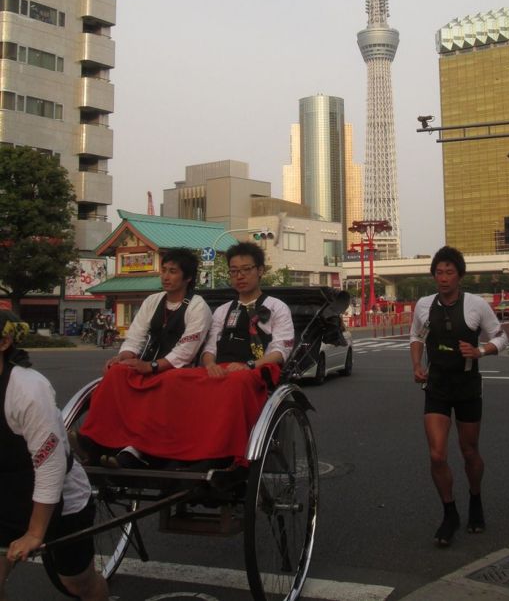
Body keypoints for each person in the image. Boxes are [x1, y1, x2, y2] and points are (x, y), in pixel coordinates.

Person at [0, 311, 109, 601]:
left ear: (4, 342)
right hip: (6, 494)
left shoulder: (26, 389)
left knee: (77, 584)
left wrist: (35, 533)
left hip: (60, 500)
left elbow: (51, 465)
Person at [73, 248, 212, 467]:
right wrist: (124, 357)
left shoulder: (197, 306)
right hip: (147, 363)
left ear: (188, 277)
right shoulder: (153, 301)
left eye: (173, 271)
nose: (166, 276)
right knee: (116, 372)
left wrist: (152, 366)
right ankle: (94, 439)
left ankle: (136, 449)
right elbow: (135, 336)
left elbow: (187, 351)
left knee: (165, 382)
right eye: (164, 270)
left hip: (178, 370)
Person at [409, 246, 508, 547]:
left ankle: (475, 499)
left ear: (460, 276)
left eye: (449, 272)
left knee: (469, 451)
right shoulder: (424, 306)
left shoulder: (476, 305)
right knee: (437, 454)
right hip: (437, 384)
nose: (443, 277)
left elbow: (501, 337)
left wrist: (480, 351)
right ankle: (449, 511)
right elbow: (416, 336)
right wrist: (416, 364)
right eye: (439, 272)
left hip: (467, 385)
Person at [202, 241, 294, 378]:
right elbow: (210, 347)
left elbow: (280, 351)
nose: (239, 276)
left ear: (260, 270)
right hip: (221, 371)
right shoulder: (222, 310)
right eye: (234, 271)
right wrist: (210, 365)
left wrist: (249, 366)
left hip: (256, 372)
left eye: (246, 269)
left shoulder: (277, 307)